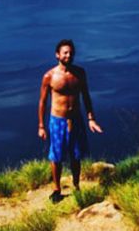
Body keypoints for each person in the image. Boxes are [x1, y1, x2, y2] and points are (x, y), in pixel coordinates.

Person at [38, 39, 103, 202]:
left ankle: (76, 185)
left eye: (71, 52)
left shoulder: (79, 73)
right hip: (57, 120)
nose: (69, 55)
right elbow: (42, 102)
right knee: (56, 156)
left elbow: (86, 96)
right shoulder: (49, 76)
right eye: (65, 52)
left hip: (76, 120)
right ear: (57, 55)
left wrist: (91, 118)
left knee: (76, 155)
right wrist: (41, 126)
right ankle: (56, 189)